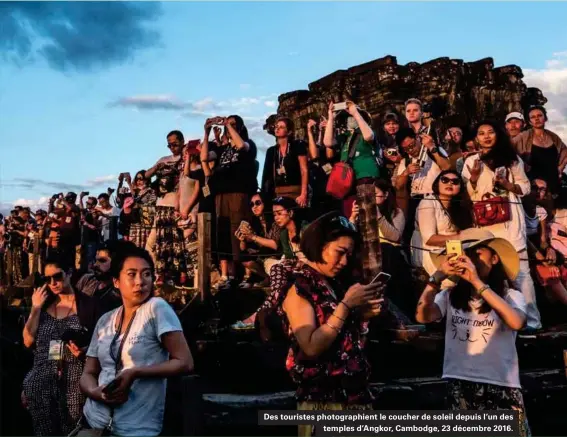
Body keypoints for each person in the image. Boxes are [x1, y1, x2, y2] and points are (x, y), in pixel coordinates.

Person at [277, 212, 385, 436]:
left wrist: (363, 315)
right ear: (320, 246)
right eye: (339, 252)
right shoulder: (300, 286)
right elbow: (310, 345)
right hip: (325, 402)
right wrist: (345, 306)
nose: (344, 261)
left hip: (354, 396)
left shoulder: (334, 283)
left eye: (349, 255)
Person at [415, 229, 530, 437]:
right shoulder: (450, 295)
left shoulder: (511, 295)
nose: (470, 257)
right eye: (466, 252)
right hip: (459, 381)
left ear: (495, 258)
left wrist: (477, 282)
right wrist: (436, 278)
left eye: (477, 252)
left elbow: (516, 322)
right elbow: (422, 316)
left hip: (501, 383)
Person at [78, 246, 193, 436]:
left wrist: (135, 372)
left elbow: (185, 362)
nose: (140, 282)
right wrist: (96, 392)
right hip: (94, 422)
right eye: (131, 274)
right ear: (116, 281)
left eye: (146, 274)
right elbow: (88, 372)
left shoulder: (156, 309)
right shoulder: (106, 320)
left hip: (136, 428)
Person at [462, 120, 540, 331]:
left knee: (521, 273)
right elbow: (468, 194)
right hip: (486, 225)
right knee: (491, 272)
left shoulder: (512, 160)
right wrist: (475, 177)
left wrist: (507, 185)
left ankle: (532, 322)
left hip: (510, 222)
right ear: (476, 138)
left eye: (490, 132)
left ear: (498, 135)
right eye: (481, 133)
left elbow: (525, 188)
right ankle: (499, 321)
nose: (486, 136)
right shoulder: (471, 161)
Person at [22, 258, 99, 436]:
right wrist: (35, 308)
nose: (53, 283)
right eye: (47, 279)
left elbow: (100, 344)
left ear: (69, 273)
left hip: (74, 380)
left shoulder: (87, 305)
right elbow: (27, 341)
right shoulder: (44, 305)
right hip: (42, 381)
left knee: (73, 430)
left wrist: (84, 351)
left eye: (57, 276)